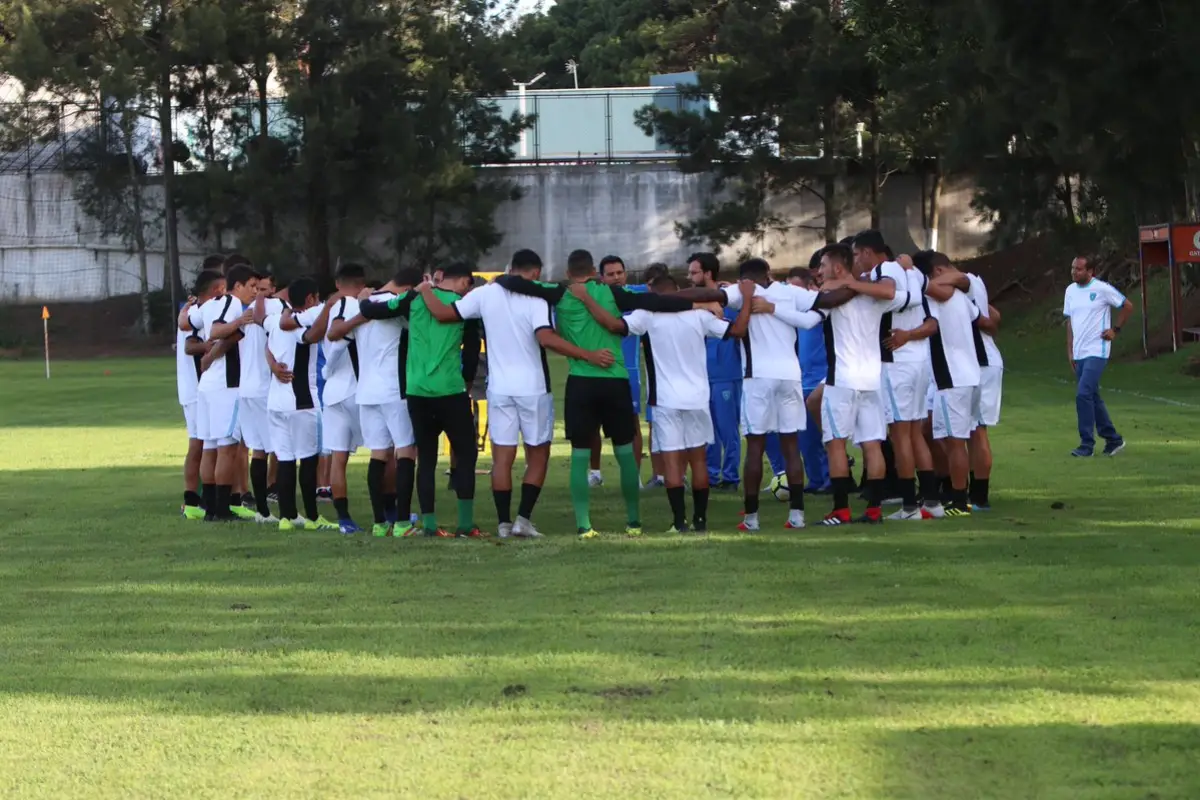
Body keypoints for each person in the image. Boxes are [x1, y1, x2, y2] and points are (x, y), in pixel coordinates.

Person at [496, 249, 712, 538]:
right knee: (624, 453)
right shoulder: (615, 293)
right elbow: (657, 301)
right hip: (615, 380)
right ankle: (633, 522)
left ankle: (584, 525)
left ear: (569, 272)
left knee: (580, 455)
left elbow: (515, 283)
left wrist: (499, 279)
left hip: (581, 381)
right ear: (595, 272)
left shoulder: (558, 292)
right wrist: (703, 302)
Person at [418, 249, 614, 539]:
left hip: (499, 389)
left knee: (502, 458)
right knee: (538, 454)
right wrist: (587, 354)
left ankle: (503, 524)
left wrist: (425, 290)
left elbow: (444, 314)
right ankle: (523, 519)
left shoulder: (484, 294)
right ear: (535, 273)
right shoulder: (537, 297)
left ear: (510, 267)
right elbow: (545, 337)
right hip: (533, 387)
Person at [361, 263, 486, 539]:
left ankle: (430, 524)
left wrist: (365, 298)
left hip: (417, 391)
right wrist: (466, 380)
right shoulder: (463, 305)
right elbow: (472, 348)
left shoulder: (413, 300)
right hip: (450, 390)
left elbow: (372, 311)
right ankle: (465, 523)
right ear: (464, 281)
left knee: (426, 458)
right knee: (465, 455)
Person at [619, 274, 753, 532]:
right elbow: (737, 331)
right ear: (681, 291)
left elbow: (618, 326)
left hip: (665, 400)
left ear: (652, 293)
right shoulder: (699, 315)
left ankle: (679, 521)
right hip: (697, 398)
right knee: (698, 460)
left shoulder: (647, 314)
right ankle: (700, 520)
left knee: (672, 462)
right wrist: (746, 300)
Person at [723, 258, 830, 531]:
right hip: (790, 375)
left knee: (756, 447)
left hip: (758, 376)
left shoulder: (741, 292)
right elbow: (824, 302)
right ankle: (797, 516)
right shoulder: (789, 291)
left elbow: (711, 295)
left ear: (743, 278)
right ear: (768, 273)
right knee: (791, 446)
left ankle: (752, 519)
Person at [815, 244, 904, 526]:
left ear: (838, 267)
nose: (819, 272)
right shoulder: (872, 294)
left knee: (835, 443)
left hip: (841, 378)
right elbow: (892, 292)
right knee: (872, 444)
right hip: (871, 379)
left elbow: (821, 300)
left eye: (823, 265)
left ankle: (840, 511)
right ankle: (874, 511)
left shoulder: (833, 293)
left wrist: (845, 284)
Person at [265, 278, 339, 531]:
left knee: (285, 459)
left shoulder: (275, 320)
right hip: (301, 402)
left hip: (275, 401)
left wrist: (273, 365)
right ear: (310, 299)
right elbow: (313, 335)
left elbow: (265, 338)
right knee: (307, 460)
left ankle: (287, 517)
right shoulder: (298, 325)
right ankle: (312, 517)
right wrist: (328, 309)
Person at [352, 269, 422, 537]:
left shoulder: (363, 302)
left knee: (378, 454)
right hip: (394, 389)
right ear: (407, 288)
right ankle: (403, 522)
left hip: (366, 391)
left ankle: (380, 523)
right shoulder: (396, 306)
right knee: (405, 451)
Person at [195, 264, 260, 522]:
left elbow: (189, 323)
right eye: (252, 286)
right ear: (236, 286)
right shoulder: (231, 303)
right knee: (226, 448)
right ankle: (222, 509)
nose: (255, 292)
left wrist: (207, 355)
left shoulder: (207, 305)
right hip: (225, 385)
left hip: (208, 385)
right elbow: (217, 331)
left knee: (210, 448)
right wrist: (238, 322)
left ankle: (210, 508)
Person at [764, 261, 831, 494]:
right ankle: (815, 482)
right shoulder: (793, 312)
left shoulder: (819, 309)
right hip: (801, 378)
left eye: (797, 288)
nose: (792, 294)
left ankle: (832, 479)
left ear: (811, 287)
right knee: (806, 439)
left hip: (821, 377)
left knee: (825, 436)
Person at [588, 255, 653, 487]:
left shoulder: (636, 295)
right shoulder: (593, 297)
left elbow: (664, 290)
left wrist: (714, 292)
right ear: (601, 276)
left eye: (619, 273)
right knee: (592, 424)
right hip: (595, 369)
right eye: (611, 274)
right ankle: (594, 472)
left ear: (625, 274)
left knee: (631, 424)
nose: (616, 277)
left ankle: (633, 477)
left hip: (628, 372)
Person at [1064, 256, 1132, 458]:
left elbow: (1127, 305)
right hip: (1080, 352)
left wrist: (1115, 330)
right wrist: (1070, 351)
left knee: (1083, 394)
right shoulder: (1070, 291)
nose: (1074, 272)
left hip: (1098, 350)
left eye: (1079, 269)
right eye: (1073, 268)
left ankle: (1086, 445)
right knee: (1092, 396)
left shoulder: (1102, 289)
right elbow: (1069, 322)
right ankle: (1113, 439)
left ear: (1091, 271)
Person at [688, 253, 743, 492]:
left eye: (694, 272)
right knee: (705, 429)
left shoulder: (730, 299)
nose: (690, 278)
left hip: (725, 375)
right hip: (701, 376)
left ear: (708, 274)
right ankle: (710, 476)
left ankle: (730, 477)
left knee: (727, 427)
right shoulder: (691, 301)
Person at [322, 262, 369, 534]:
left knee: (339, 457)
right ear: (361, 284)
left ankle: (344, 519)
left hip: (334, 393)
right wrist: (329, 365)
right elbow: (338, 336)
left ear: (338, 284)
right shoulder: (349, 305)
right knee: (385, 452)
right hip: (356, 390)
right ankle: (389, 513)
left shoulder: (336, 305)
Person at [238, 270, 287, 523]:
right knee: (281, 447)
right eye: (258, 288)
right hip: (262, 389)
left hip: (246, 389)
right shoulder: (277, 307)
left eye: (265, 289)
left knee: (259, 450)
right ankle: (287, 511)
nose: (261, 293)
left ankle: (262, 511)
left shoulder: (247, 311)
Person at [175, 270, 225, 520]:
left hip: (199, 388)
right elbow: (188, 344)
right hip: (196, 389)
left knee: (206, 443)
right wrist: (212, 347)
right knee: (200, 444)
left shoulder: (196, 310)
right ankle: (192, 500)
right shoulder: (194, 312)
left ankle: (202, 499)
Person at [967, 271, 1004, 510]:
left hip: (981, 364)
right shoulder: (976, 282)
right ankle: (972, 493)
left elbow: (991, 321)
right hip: (981, 363)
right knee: (971, 431)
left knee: (977, 431)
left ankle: (979, 496)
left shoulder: (962, 285)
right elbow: (996, 315)